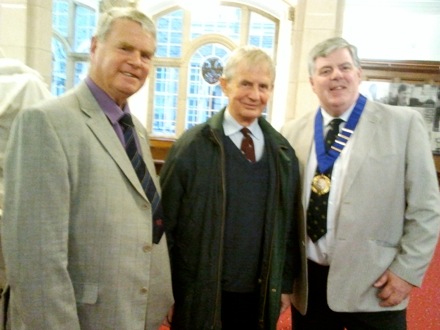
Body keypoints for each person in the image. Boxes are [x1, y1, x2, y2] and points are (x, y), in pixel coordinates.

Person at [1, 7, 173, 329]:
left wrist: (162, 295)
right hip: (84, 317)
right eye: (125, 48)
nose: (136, 61)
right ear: (95, 47)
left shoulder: (134, 128)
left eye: (146, 55)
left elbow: (146, 215)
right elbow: (36, 259)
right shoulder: (46, 122)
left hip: (134, 312)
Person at [281, 37, 440, 329]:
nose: (336, 75)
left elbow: (426, 208)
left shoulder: (403, 125)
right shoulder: (291, 132)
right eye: (325, 70)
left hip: (375, 284)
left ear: (359, 74)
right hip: (309, 285)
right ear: (312, 81)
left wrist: (407, 272)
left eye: (345, 67)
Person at [160, 46, 302, 329]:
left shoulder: (283, 152)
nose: (254, 94)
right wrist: (165, 289)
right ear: (225, 85)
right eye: (245, 83)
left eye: (263, 86)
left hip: (259, 296)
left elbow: (287, 228)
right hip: (201, 291)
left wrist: (284, 283)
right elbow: (164, 225)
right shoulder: (192, 147)